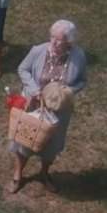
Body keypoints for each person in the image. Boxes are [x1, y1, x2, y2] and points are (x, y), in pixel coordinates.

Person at [9, 20, 87, 193]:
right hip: (34, 106)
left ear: (69, 41)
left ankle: (44, 174)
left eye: (59, 40)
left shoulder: (78, 56)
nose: (54, 42)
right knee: (25, 141)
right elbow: (23, 69)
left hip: (59, 111)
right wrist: (34, 90)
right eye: (52, 37)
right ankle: (17, 174)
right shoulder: (38, 51)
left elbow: (82, 80)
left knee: (51, 145)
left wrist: (68, 92)